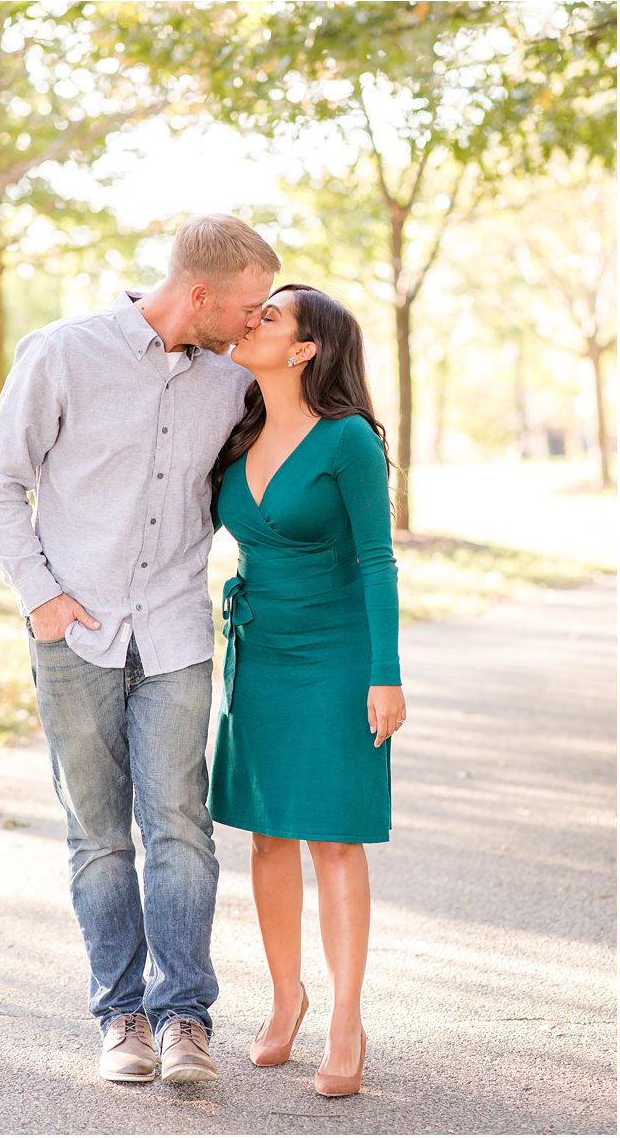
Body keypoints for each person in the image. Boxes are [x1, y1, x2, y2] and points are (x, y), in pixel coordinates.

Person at [0, 214, 281, 1084]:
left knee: (181, 828)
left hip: (177, 630)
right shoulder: (63, 353)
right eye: (249, 307)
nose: (256, 320)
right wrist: (41, 598)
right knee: (99, 836)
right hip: (77, 635)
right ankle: (121, 1019)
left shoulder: (231, 381)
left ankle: (184, 1016)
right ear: (199, 296)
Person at [208, 283, 405, 1098]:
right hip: (257, 653)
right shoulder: (237, 425)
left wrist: (385, 673)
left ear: (304, 350)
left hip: (334, 657)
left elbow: (377, 560)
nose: (251, 319)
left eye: (272, 315)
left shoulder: (347, 440)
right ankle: (286, 997)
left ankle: (347, 1018)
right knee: (264, 836)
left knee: (333, 837)